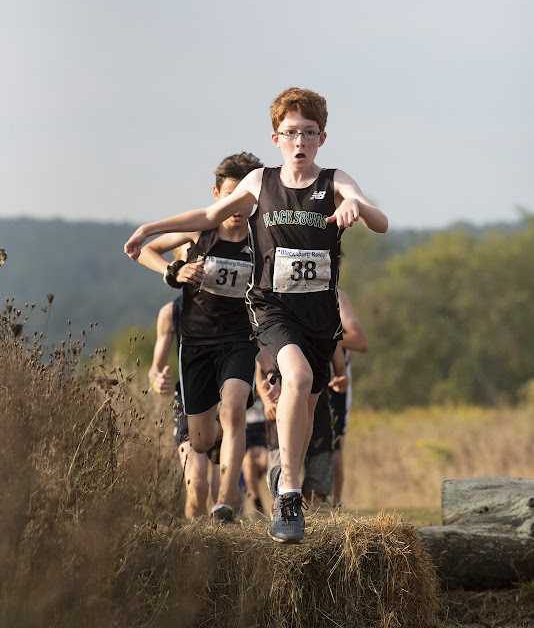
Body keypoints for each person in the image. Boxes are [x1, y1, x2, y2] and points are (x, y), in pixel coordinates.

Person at [124, 87, 388, 543]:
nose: (300, 142)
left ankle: (288, 473)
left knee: (304, 406)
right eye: (291, 133)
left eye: (309, 133)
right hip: (272, 308)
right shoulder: (259, 183)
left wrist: (356, 206)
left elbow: (381, 222)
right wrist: (152, 228)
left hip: (319, 315)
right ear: (275, 138)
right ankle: (287, 493)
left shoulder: (334, 180)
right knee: (298, 378)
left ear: (322, 138)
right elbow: (210, 214)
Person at [134, 152, 264, 523]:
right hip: (195, 343)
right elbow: (148, 250)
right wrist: (174, 271)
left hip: (239, 338)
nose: (237, 207)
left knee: (236, 405)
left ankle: (225, 503)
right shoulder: (200, 231)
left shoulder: (260, 238)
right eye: (229, 198)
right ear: (216, 195)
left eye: (244, 199)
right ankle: (219, 440)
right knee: (203, 441)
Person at [148, 290, 220, 518]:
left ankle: (220, 548)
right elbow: (154, 369)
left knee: (223, 497)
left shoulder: (237, 302)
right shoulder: (171, 312)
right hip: (188, 402)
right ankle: (195, 549)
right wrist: (157, 382)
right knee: (197, 486)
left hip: (226, 402)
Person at [328, 288, 368, 507]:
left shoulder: (338, 296)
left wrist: (334, 340)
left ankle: (335, 505)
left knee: (335, 451)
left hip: (335, 385)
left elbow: (359, 341)